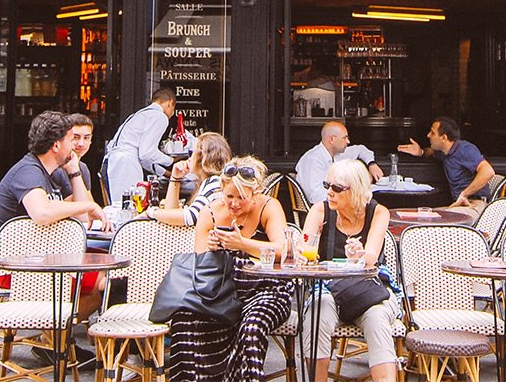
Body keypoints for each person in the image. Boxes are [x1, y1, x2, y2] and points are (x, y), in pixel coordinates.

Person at [167, 156, 291, 382]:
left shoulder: (268, 207)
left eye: (241, 198)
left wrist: (243, 244)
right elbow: (199, 260)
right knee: (185, 319)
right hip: (221, 290)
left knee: (252, 327)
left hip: (266, 289)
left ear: (256, 193)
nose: (234, 203)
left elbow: (283, 250)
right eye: (229, 196)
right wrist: (212, 247)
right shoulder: (211, 211)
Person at [300, 159, 397, 382]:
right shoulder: (320, 210)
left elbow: (372, 257)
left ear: (356, 189)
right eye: (327, 186)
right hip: (328, 287)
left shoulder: (378, 212)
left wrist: (360, 255)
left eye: (336, 188)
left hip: (367, 288)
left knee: (377, 317)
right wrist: (302, 250)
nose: (330, 193)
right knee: (318, 310)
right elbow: (306, 246)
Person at [0, 110, 111, 233]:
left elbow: (82, 217)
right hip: (20, 250)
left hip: (44, 248)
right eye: (71, 140)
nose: (74, 147)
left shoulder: (50, 172)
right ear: (56, 146)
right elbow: (42, 213)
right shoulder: (28, 172)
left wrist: (74, 171)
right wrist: (90, 205)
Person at [102, 86, 195, 204]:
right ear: (170, 103)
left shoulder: (140, 114)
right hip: (126, 165)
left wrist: (166, 173)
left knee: (120, 207)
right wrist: (171, 161)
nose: (172, 114)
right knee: (128, 208)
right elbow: (147, 153)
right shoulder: (159, 117)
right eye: (173, 109)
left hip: (114, 162)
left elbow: (145, 159)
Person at [397, 116, 495, 219]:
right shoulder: (444, 152)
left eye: (432, 132)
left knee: (437, 219)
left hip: (474, 204)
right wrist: (420, 152)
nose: (428, 135)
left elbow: (488, 171)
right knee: (422, 216)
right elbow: (431, 152)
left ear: (444, 138)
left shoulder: (465, 149)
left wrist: (465, 194)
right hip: (459, 205)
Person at [146, 131, 231, 227]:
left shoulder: (214, 183)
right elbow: (171, 216)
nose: (188, 158)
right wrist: (175, 178)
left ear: (201, 157)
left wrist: (151, 212)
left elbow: (190, 217)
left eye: (191, 153)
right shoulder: (212, 182)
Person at [296, 120, 384, 204]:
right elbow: (316, 197)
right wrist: (347, 197)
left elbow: (361, 150)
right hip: (321, 212)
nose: (348, 141)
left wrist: (372, 164)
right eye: (344, 138)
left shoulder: (337, 153)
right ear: (332, 139)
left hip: (335, 206)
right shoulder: (313, 160)